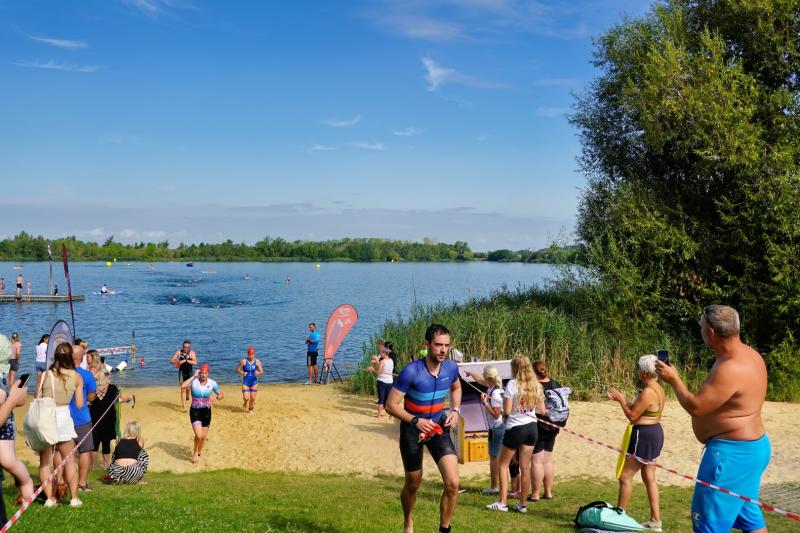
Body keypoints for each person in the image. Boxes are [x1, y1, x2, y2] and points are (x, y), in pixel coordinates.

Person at [656, 305, 770, 533]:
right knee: (750, 519)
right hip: (753, 450)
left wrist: (674, 380)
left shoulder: (731, 367)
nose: (700, 331)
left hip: (730, 457)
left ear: (711, 333)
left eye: (701, 327)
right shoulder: (750, 355)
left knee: (709, 524)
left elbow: (696, 407)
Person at [385, 323, 462, 533]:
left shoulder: (451, 368)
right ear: (427, 345)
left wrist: (455, 410)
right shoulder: (411, 371)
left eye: (446, 345)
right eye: (438, 345)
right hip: (412, 430)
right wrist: (415, 421)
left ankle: (444, 529)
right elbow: (390, 405)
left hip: (438, 427)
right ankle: (408, 522)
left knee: (453, 483)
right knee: (413, 483)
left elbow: (456, 387)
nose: (443, 350)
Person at [607, 355, 665, 531]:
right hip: (655, 433)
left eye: (640, 369)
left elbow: (632, 417)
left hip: (644, 436)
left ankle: (618, 518)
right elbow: (640, 408)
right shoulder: (658, 388)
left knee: (625, 477)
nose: (638, 372)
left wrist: (621, 401)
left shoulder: (648, 392)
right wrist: (624, 399)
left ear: (645, 373)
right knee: (649, 477)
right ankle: (655, 521)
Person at [486, 354, 545, 514]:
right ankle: (522, 504)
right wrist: (527, 407)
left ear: (514, 368)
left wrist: (512, 410)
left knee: (502, 464)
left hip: (516, 428)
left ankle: (502, 502)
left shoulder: (512, 384)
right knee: (525, 467)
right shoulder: (536, 385)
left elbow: (507, 410)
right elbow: (541, 410)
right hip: (532, 428)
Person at [39, 342, 84, 508]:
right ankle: (74, 498)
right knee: (69, 460)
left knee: (45, 461)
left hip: (47, 417)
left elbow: (38, 397)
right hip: (63, 416)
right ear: (70, 357)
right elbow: (79, 404)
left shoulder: (45, 375)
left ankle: (50, 499)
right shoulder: (76, 376)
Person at [464, 365, 505, 496]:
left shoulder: (495, 393)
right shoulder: (492, 386)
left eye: (484, 375)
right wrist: (471, 373)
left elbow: (496, 414)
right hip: (498, 427)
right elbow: (481, 380)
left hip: (497, 428)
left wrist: (485, 402)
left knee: (494, 458)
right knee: (496, 457)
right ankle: (498, 486)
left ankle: (494, 487)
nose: (482, 377)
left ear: (488, 377)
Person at [530, 360, 566, 502]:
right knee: (548, 460)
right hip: (555, 424)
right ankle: (548, 492)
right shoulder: (556, 384)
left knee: (536, 461)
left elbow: (539, 409)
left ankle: (535, 494)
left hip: (540, 425)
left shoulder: (535, 386)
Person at [0, 371, 34, 507]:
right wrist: (12, 400)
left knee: (7, 460)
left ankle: (26, 482)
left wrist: (11, 400)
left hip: (4, 425)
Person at [181, 363, 223, 463]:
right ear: (199, 373)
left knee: (203, 437)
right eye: (202, 373)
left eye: (205, 373)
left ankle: (199, 452)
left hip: (206, 412)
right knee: (199, 435)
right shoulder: (194, 382)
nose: (203, 375)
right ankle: (195, 452)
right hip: (195, 411)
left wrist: (216, 398)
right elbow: (183, 386)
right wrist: (193, 376)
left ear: (208, 373)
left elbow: (221, 395)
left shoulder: (212, 383)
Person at [69, 344, 97, 493]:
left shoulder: (61, 373)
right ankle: (81, 483)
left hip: (64, 417)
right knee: (85, 451)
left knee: (64, 452)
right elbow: (91, 397)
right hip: (82, 418)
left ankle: (65, 481)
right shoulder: (86, 375)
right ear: (81, 358)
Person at [105, 420, 149, 485]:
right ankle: (140, 479)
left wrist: (128, 426)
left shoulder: (119, 439)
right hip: (133, 472)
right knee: (142, 453)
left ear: (127, 429)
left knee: (115, 453)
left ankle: (115, 477)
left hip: (117, 472)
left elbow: (124, 447)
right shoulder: (140, 439)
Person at [365, 346, 394, 418]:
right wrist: (376, 362)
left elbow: (378, 373)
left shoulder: (382, 361)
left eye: (381, 353)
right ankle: (391, 415)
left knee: (381, 399)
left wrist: (372, 370)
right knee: (388, 399)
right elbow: (380, 368)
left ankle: (378, 415)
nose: (380, 354)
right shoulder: (391, 360)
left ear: (384, 353)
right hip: (390, 382)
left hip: (382, 382)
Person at [170, 340, 197, 411]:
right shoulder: (178, 352)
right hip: (181, 372)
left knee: (188, 388)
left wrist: (186, 360)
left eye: (188, 347)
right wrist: (178, 361)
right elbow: (171, 361)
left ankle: (187, 395)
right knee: (183, 388)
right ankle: (184, 407)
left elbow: (195, 362)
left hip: (189, 372)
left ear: (189, 347)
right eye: (185, 347)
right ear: (183, 346)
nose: (186, 348)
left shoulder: (192, 353)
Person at [236, 346, 263, 413]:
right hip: (246, 382)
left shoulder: (257, 362)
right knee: (246, 398)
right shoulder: (243, 361)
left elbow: (262, 371)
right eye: (249, 354)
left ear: (254, 354)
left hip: (254, 382)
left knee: (253, 399)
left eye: (252, 354)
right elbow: (237, 369)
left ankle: (250, 409)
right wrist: (242, 372)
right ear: (247, 354)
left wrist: (258, 373)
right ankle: (245, 402)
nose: (251, 356)